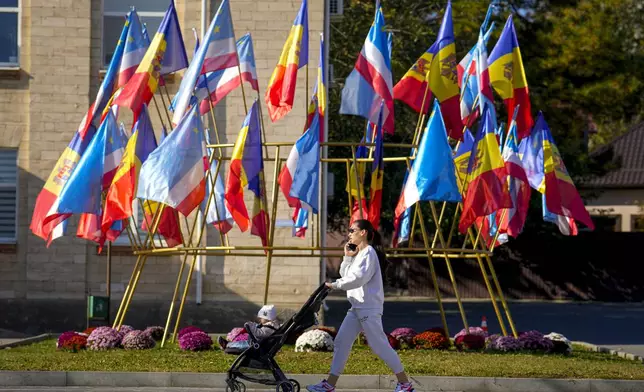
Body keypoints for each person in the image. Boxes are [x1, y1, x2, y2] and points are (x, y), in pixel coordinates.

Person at [307, 220, 415, 392]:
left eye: (352, 230)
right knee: (341, 342)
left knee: (379, 346)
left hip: (368, 308)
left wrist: (334, 285)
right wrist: (347, 258)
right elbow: (346, 274)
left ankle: (405, 384)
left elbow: (357, 279)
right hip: (357, 307)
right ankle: (330, 384)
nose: (349, 233)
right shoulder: (359, 254)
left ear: (363, 232)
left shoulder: (369, 253)